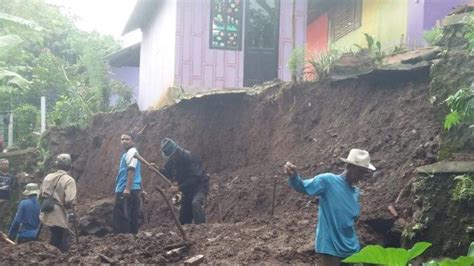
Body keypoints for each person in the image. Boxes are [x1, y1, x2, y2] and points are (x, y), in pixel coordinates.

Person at [284, 149, 376, 266]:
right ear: (350, 166)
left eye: (364, 172)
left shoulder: (355, 192)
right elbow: (304, 187)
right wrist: (294, 177)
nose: (362, 176)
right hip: (330, 246)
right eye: (360, 171)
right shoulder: (328, 181)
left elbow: (349, 216)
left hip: (351, 247)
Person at [160, 138, 209, 225]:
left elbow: (195, 178)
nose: (172, 157)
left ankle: (202, 229)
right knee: (183, 219)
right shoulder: (172, 161)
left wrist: (179, 187)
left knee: (195, 203)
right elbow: (169, 174)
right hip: (187, 191)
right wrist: (158, 169)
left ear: (177, 150)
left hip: (199, 187)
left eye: (173, 154)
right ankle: (186, 234)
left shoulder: (189, 157)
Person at [39, 153, 77, 253]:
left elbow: (40, 194)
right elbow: (69, 200)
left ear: (56, 165)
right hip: (58, 212)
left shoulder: (48, 177)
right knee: (58, 236)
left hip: (46, 209)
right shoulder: (69, 180)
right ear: (70, 166)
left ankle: (55, 255)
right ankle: (54, 256)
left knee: (54, 233)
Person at [113, 132, 143, 234]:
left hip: (125, 190)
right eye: (122, 139)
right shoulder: (129, 153)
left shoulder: (132, 152)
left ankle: (124, 240)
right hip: (132, 188)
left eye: (127, 139)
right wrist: (141, 189)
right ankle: (133, 239)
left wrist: (127, 188)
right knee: (132, 216)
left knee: (123, 217)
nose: (124, 141)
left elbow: (132, 170)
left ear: (132, 141)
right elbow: (138, 173)